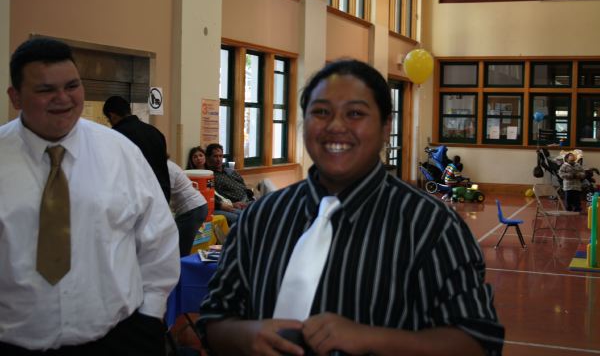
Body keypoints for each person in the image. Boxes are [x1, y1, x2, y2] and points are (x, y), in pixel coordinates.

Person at [197, 59, 504, 355]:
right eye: (321, 112)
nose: (335, 126)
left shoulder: (432, 227)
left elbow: (477, 342)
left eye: (355, 113)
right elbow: (215, 317)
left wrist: (372, 339)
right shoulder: (261, 218)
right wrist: (245, 336)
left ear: (386, 126)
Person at [0, 37, 180, 354]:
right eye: (45, 89)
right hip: (15, 341)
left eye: (72, 86)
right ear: (15, 97)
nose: (62, 99)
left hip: (119, 339)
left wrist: (151, 315)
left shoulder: (120, 152)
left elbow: (158, 238)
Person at [103, 95, 171, 202]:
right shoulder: (155, 132)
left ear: (112, 115)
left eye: (108, 119)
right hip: (161, 196)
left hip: (135, 200)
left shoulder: (116, 135)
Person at [168, 158, 209, 256]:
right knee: (179, 248)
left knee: (179, 250)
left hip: (192, 208)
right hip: (196, 207)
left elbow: (163, 194)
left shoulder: (165, 167)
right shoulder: (169, 165)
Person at [205, 143, 254, 224]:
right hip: (235, 204)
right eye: (215, 156)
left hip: (248, 199)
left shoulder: (231, 171)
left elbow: (243, 186)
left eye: (220, 156)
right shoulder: (210, 177)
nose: (218, 159)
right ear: (208, 158)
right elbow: (215, 197)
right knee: (248, 217)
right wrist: (232, 204)